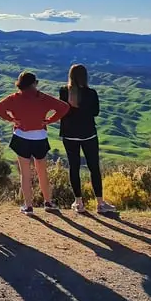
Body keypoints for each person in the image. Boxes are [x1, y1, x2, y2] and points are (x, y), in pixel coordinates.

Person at [0, 71, 69, 215]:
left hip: (21, 136)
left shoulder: (14, 98)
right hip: (40, 137)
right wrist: (49, 120)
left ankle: (28, 206)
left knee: (25, 173)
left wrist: (11, 120)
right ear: (34, 83)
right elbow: (64, 107)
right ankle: (48, 202)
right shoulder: (43, 98)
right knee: (42, 172)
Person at [59, 64, 116, 215]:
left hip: (69, 134)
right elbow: (96, 112)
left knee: (74, 167)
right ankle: (100, 203)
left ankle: (78, 202)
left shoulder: (64, 91)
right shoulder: (91, 93)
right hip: (88, 134)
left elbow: (62, 111)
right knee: (94, 167)